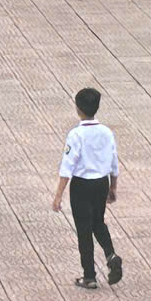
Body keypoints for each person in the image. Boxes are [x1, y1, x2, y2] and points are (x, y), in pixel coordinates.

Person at [54, 87, 125, 289]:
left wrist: (58, 195)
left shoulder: (76, 134)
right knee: (98, 222)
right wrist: (113, 187)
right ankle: (111, 255)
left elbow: (67, 166)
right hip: (101, 182)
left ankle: (89, 276)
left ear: (78, 108)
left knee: (84, 230)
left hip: (82, 185)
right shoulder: (106, 132)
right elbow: (114, 162)